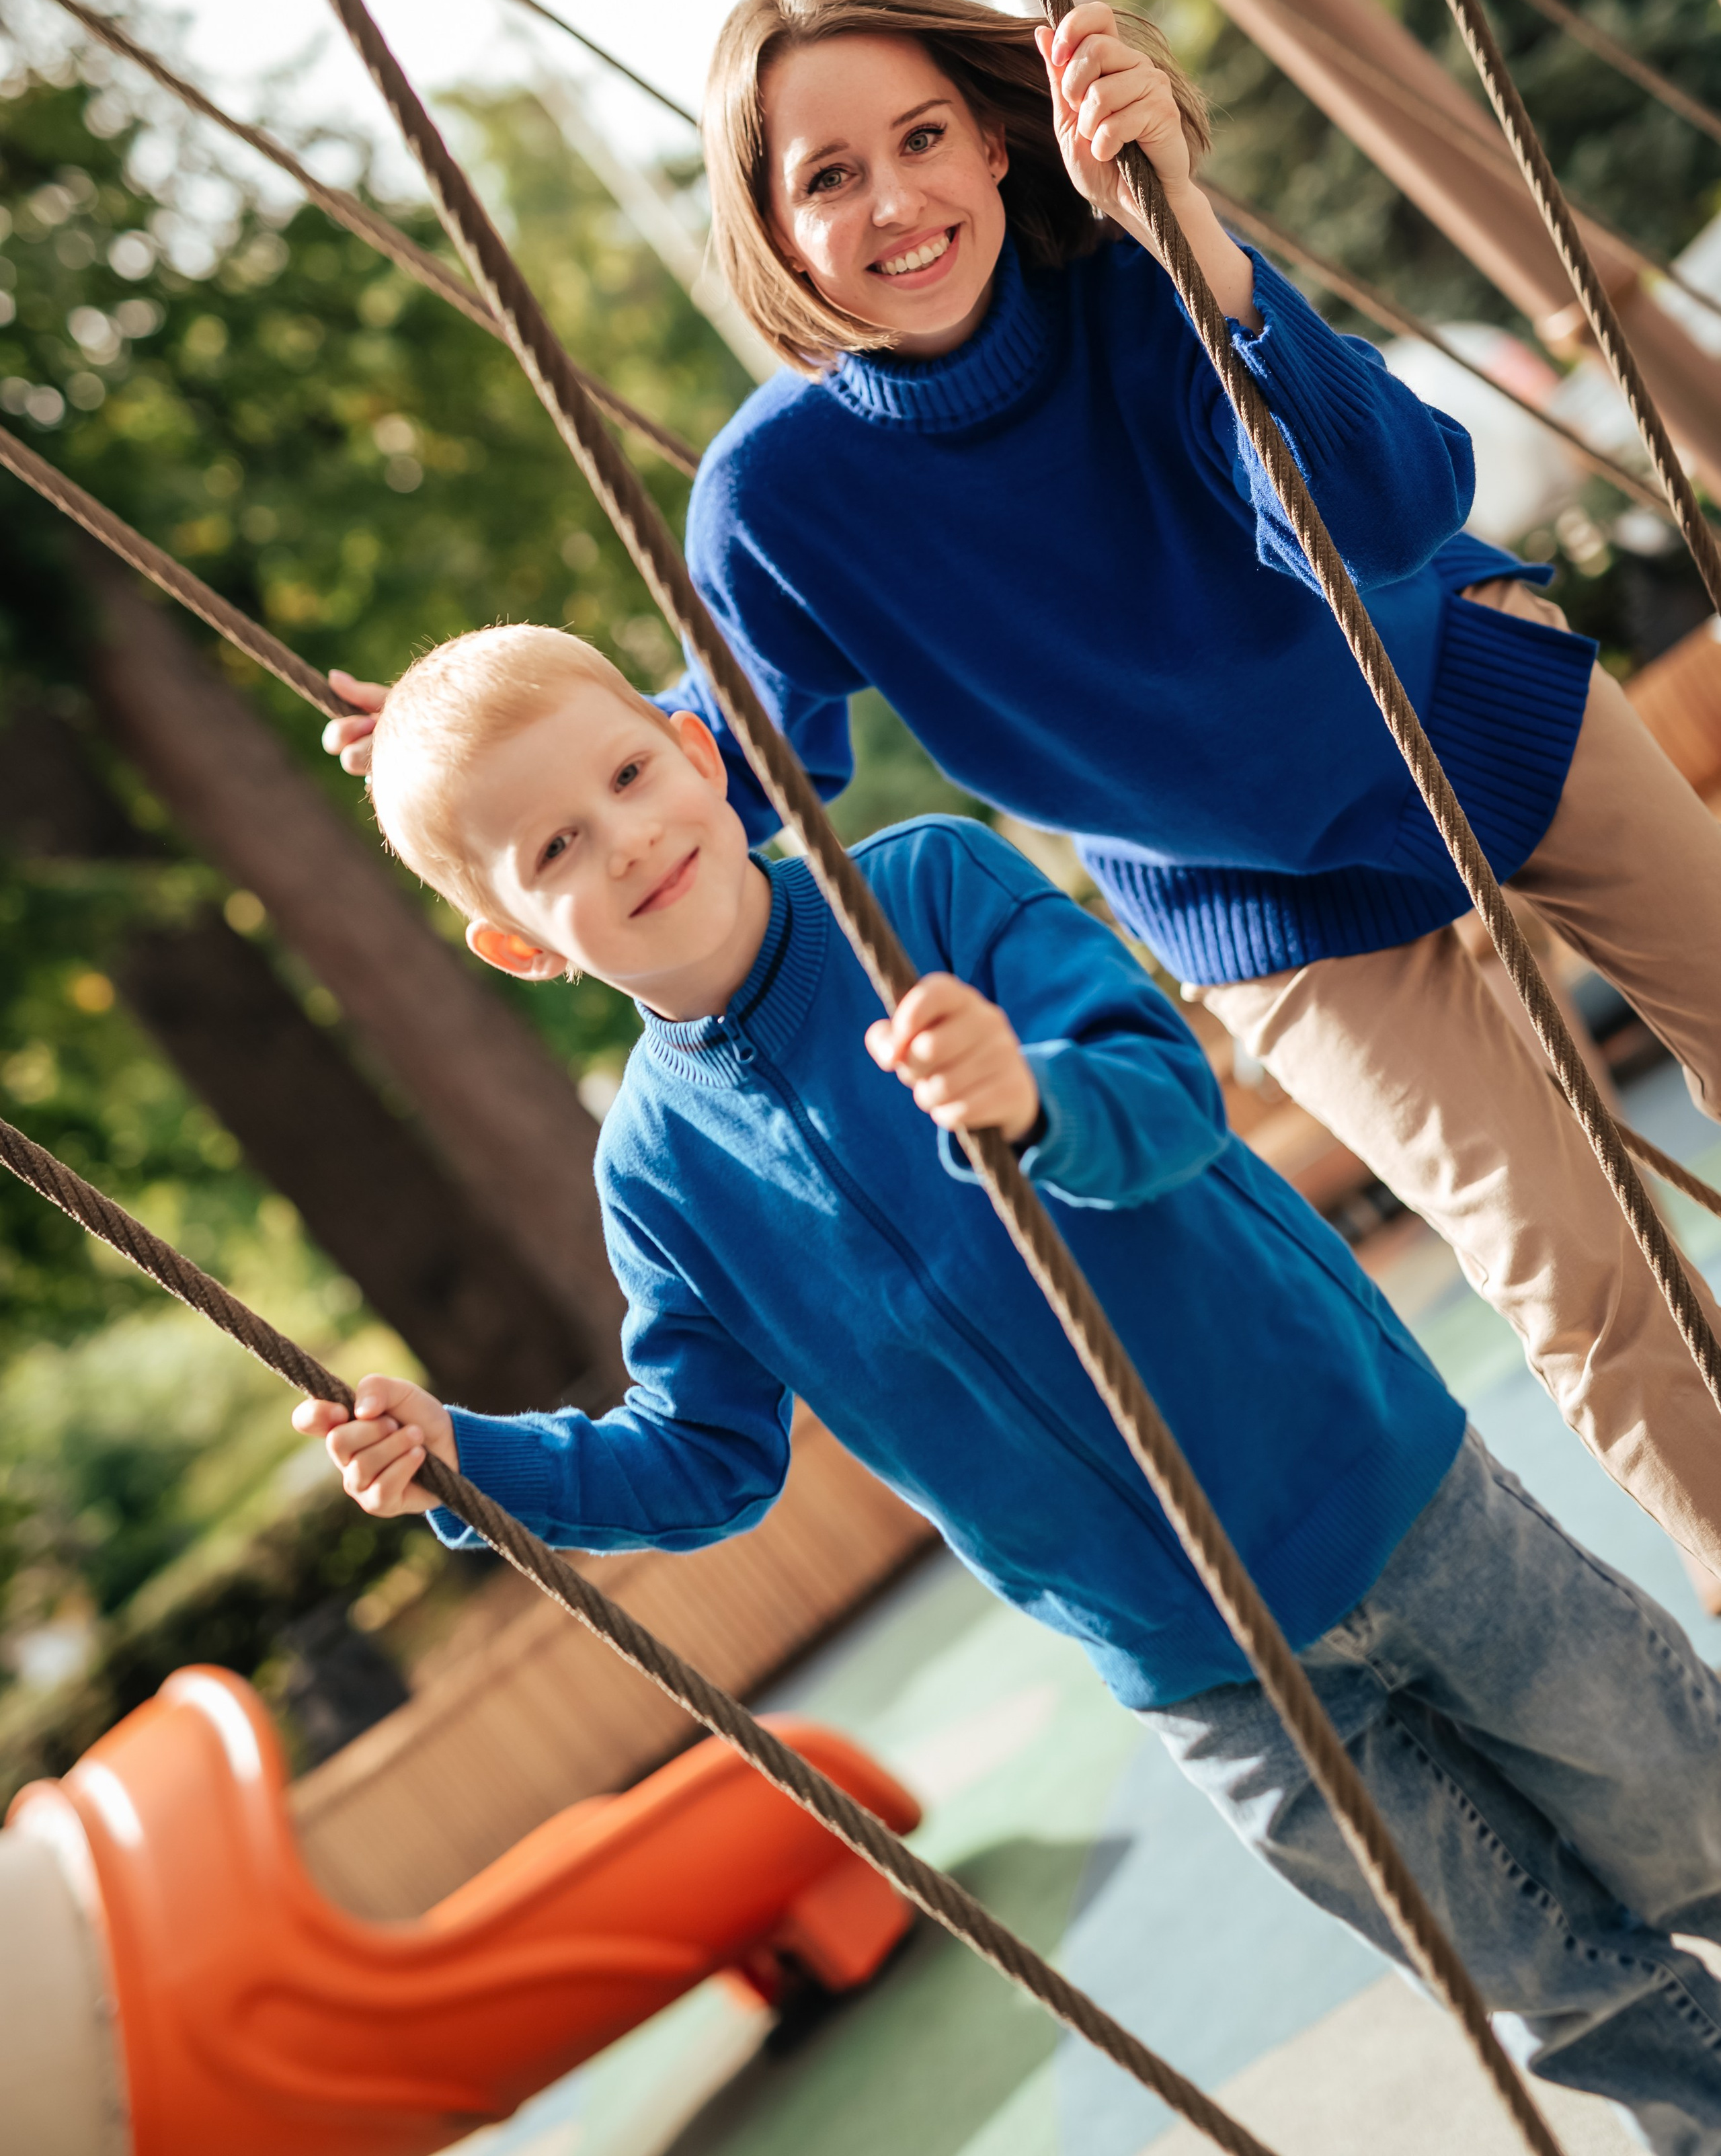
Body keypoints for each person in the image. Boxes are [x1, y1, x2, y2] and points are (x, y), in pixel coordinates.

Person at [323, 0, 1721, 1582]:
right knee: (1571, 1275)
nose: (893, 200)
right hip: (1252, 893)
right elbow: (731, 757)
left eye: (921, 137)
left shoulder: (1138, 288)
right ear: (775, 234)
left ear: (997, 141)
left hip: (1465, 706)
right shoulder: (777, 498)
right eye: (827, 178)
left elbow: (1391, 510)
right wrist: (475, 761)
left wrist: (1191, 239)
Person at [302, 623, 1721, 2146]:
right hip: (1194, 1659)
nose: (628, 837)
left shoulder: (920, 891)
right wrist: (472, 1462)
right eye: (555, 847)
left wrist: (1036, 1094)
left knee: (1674, 1796)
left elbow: (1169, 1095)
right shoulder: (656, 1173)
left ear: (700, 750)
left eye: (631, 771)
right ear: (520, 942)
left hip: (1370, 1481)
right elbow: (704, 1455)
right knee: (1533, 1969)